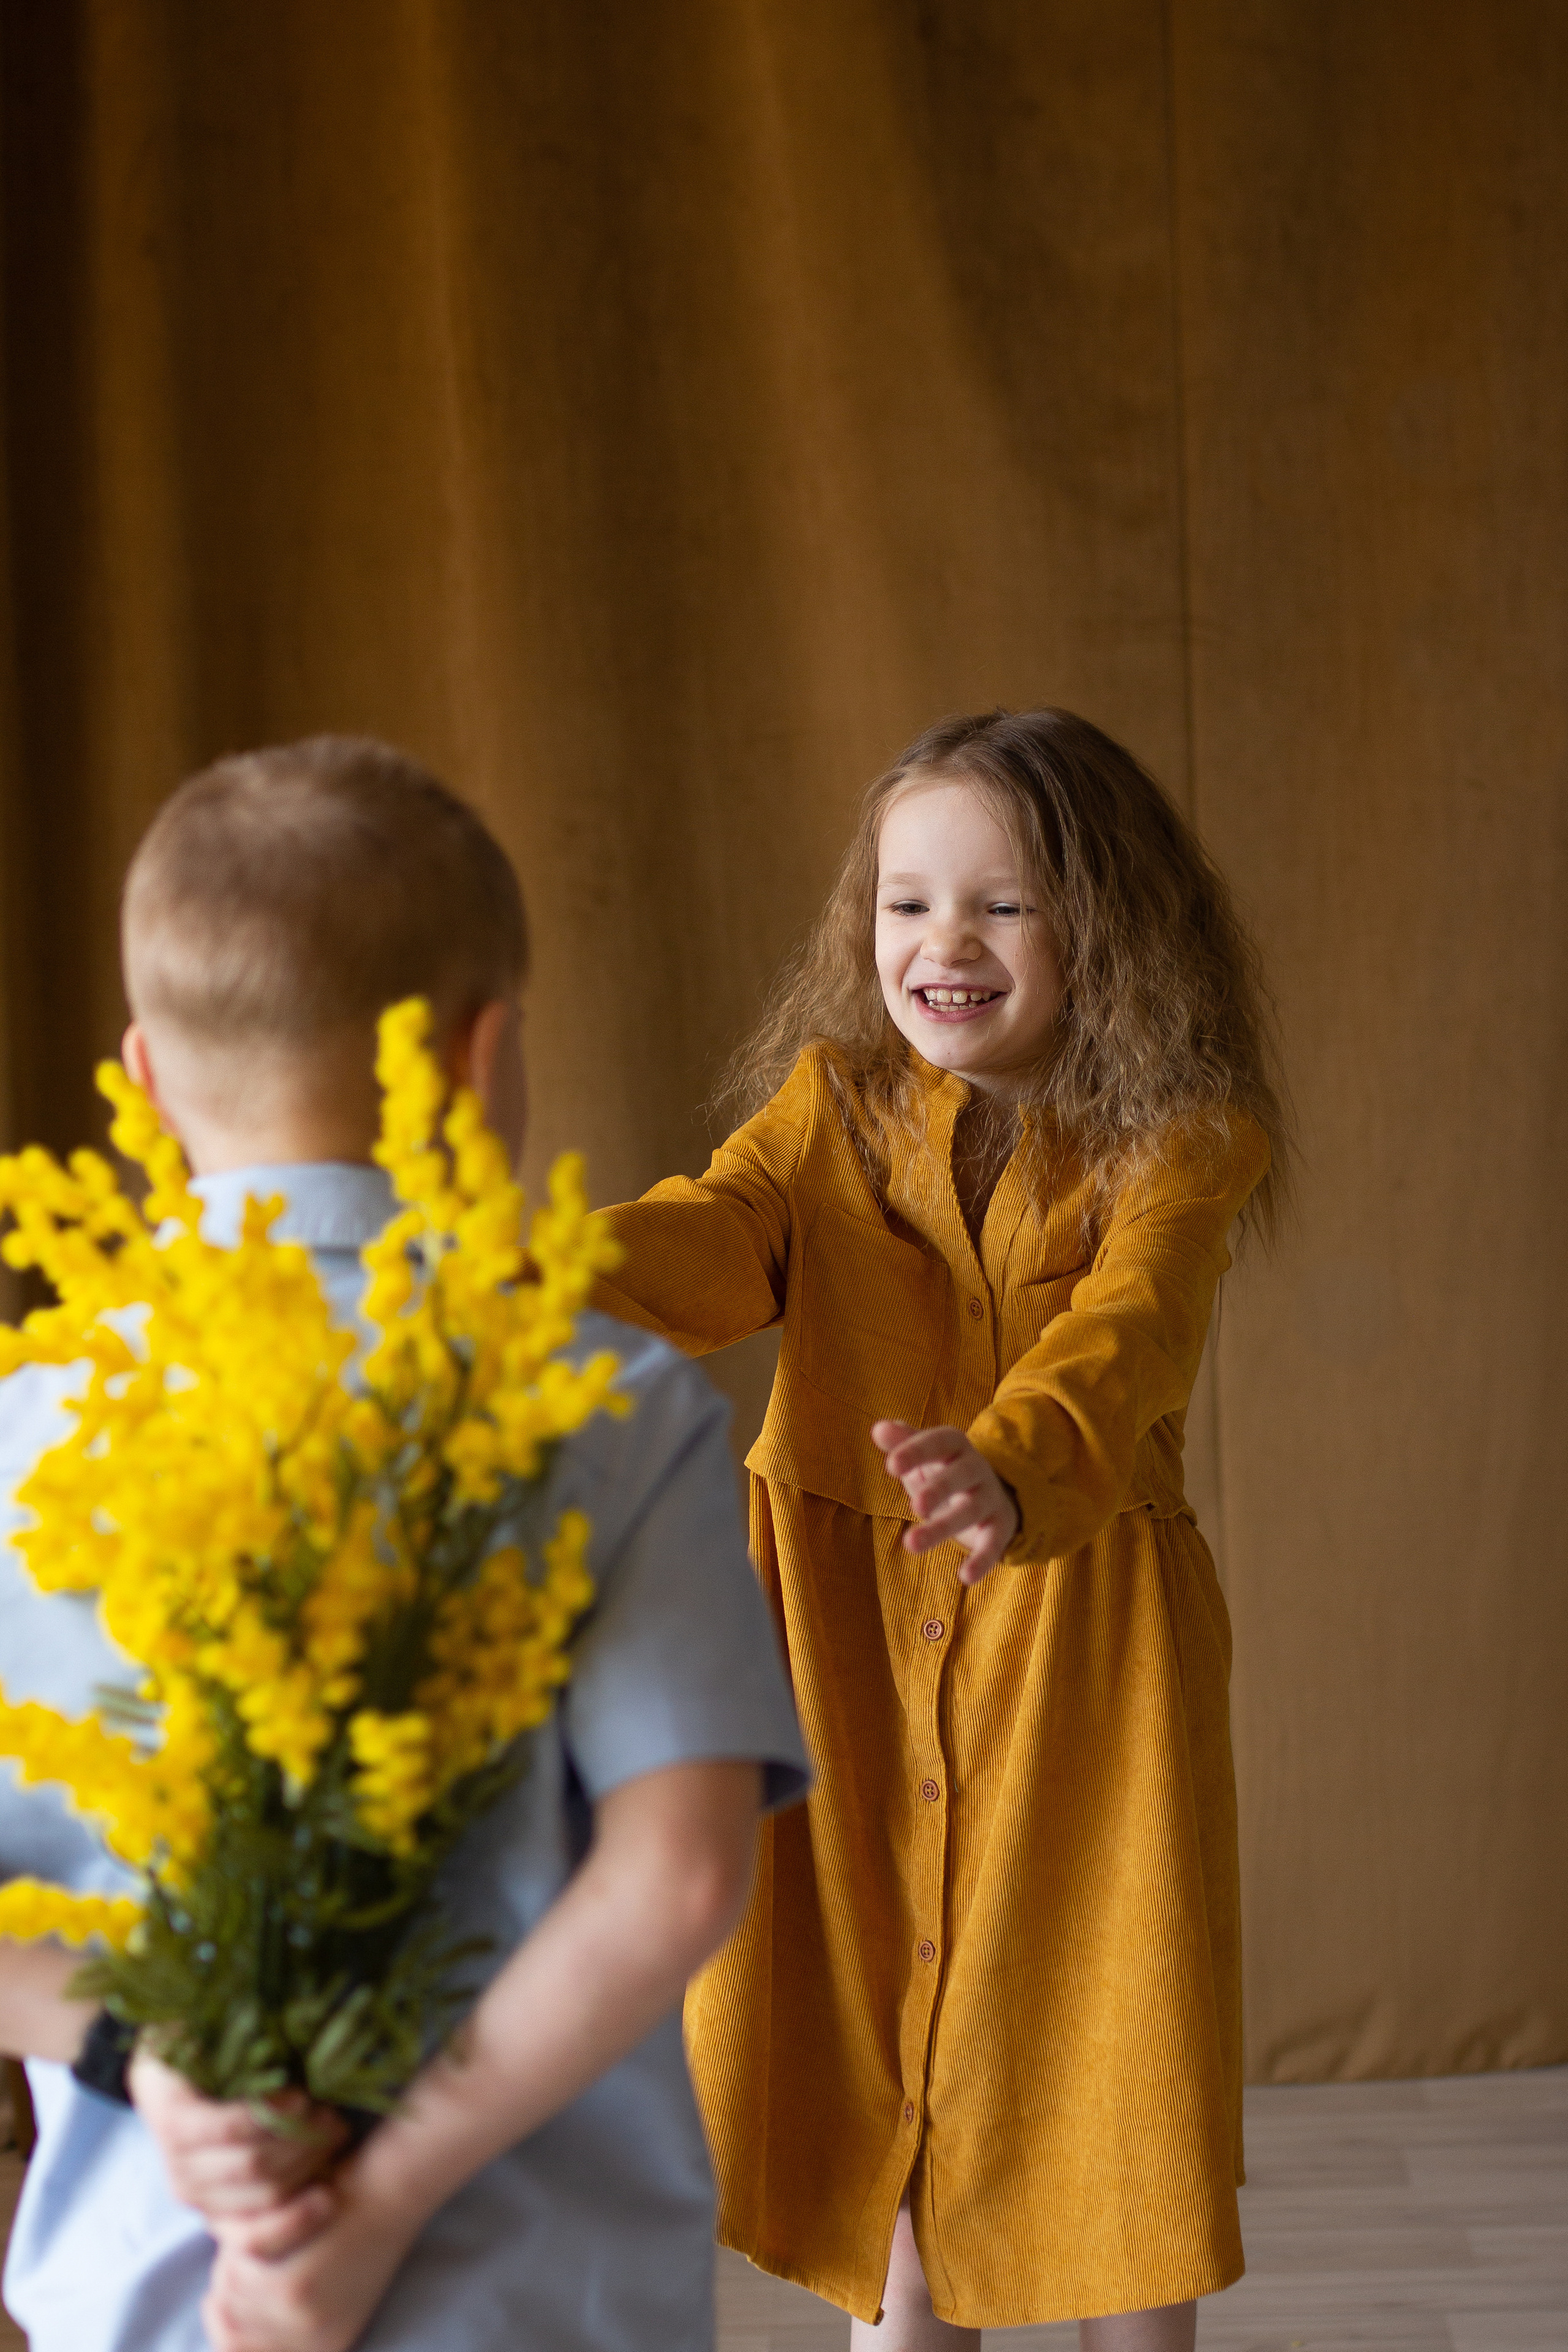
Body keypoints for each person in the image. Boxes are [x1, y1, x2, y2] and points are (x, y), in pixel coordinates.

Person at [0, 736, 810, 2352]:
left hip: (151, 2306)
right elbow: (684, 1872)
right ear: (482, 1058)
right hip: (545, 2312)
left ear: (143, 1078)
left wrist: (142, 2055)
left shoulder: (31, 1427)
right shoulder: (600, 1399)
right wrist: (368, 2209)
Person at [590, 708, 1292, 2351]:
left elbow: (1126, 1337)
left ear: (1103, 928)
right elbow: (708, 1238)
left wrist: (1011, 1463)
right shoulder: (827, 1112)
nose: (943, 944)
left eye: (1002, 904)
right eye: (908, 902)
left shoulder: (1181, 1143)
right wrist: (527, 1279)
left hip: (1082, 1673)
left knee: (1116, 2071)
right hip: (844, 1664)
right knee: (882, 2100)